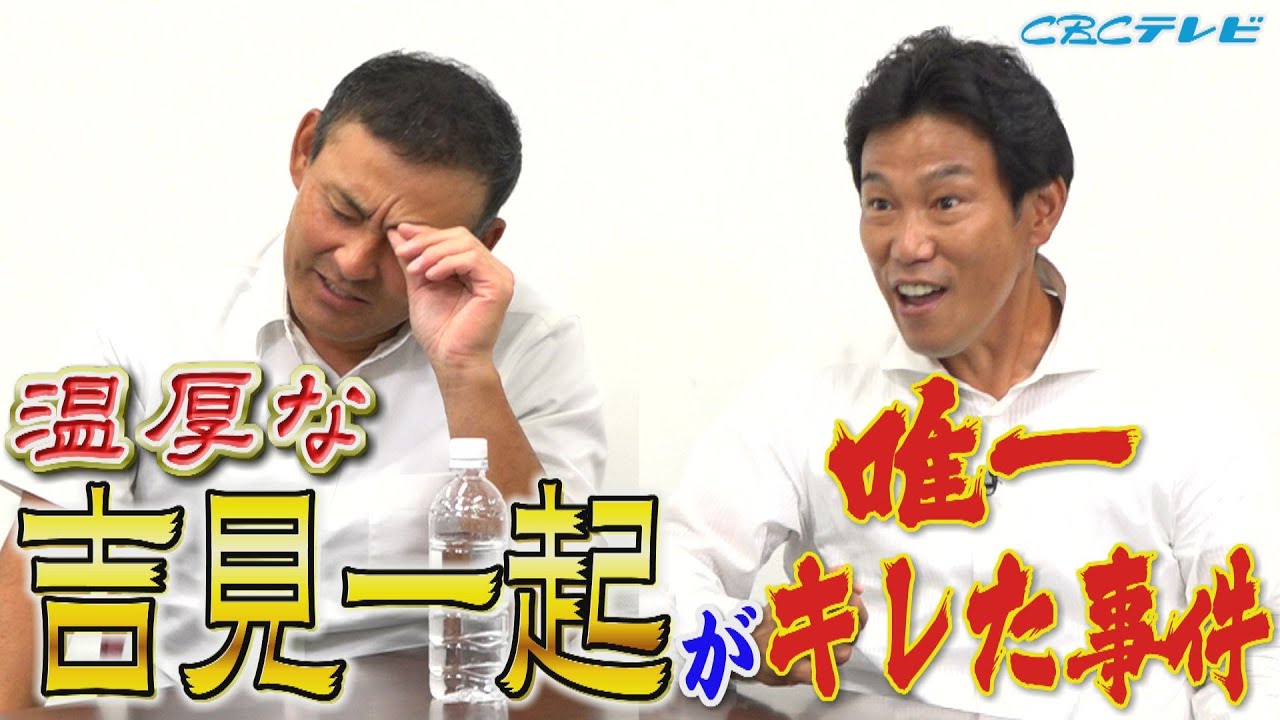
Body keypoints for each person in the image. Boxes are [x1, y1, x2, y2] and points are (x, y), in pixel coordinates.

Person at [660, 28, 1277, 719]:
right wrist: (744, 646)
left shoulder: (1177, 402)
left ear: (1040, 210)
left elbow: (1253, 654)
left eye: (945, 202)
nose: (906, 245)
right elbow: (673, 570)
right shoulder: (813, 397)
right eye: (881, 204)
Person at [0, 51, 605, 709]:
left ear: (482, 240)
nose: (354, 262)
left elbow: (562, 647)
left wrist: (466, 375)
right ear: (303, 150)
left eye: (407, 245)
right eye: (343, 210)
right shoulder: (148, 317)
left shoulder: (528, 348)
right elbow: (31, 642)